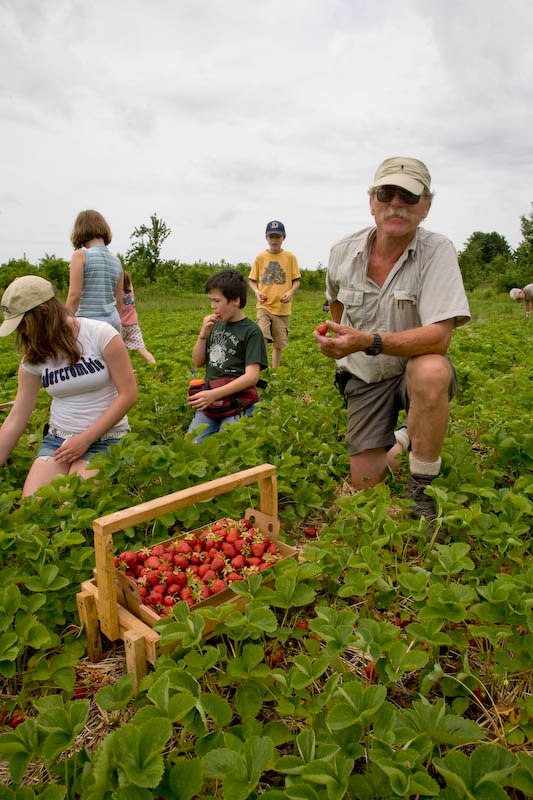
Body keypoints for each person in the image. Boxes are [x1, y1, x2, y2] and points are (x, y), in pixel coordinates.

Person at [314, 156, 471, 520]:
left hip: (411, 369)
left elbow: (439, 337)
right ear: (372, 201)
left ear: (426, 206)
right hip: (365, 376)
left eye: (409, 196)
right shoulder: (342, 252)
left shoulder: (437, 251)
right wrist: (339, 338)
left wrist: (367, 341)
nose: (396, 204)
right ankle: (405, 436)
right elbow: (335, 300)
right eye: (386, 194)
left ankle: (422, 488)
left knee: (432, 370)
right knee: (366, 482)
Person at [0, 275, 137, 497]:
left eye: (23, 323)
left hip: (106, 437)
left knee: (72, 501)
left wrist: (86, 438)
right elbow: (17, 417)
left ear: (43, 312)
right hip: (58, 439)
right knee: (34, 503)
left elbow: (128, 394)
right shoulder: (33, 358)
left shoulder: (100, 334)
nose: (21, 331)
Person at [188, 269, 268, 442]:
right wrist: (202, 335)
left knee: (229, 443)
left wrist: (215, 394)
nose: (213, 306)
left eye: (217, 300)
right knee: (191, 445)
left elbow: (252, 377)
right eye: (211, 300)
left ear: (236, 300)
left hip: (237, 401)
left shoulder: (251, 331)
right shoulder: (215, 325)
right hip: (211, 400)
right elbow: (198, 362)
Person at [249, 220, 301, 368]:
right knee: (262, 336)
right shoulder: (260, 258)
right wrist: (257, 292)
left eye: (277, 237)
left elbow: (296, 281)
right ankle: (263, 369)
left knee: (278, 343)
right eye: (271, 237)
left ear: (284, 238)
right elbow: (252, 280)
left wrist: (290, 292)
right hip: (264, 305)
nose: (274, 240)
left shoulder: (290, 257)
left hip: (282, 308)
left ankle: (275, 371)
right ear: (266, 238)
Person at [66, 209, 124, 332]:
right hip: (113, 323)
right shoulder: (116, 261)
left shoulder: (80, 256)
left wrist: (64, 324)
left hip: (89, 324)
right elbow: (118, 301)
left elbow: (74, 296)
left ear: (79, 230)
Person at [120, 271, 156, 363]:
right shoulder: (130, 289)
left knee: (118, 351)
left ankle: (123, 369)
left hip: (120, 325)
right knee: (142, 349)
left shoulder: (117, 293)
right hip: (133, 325)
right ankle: (155, 365)